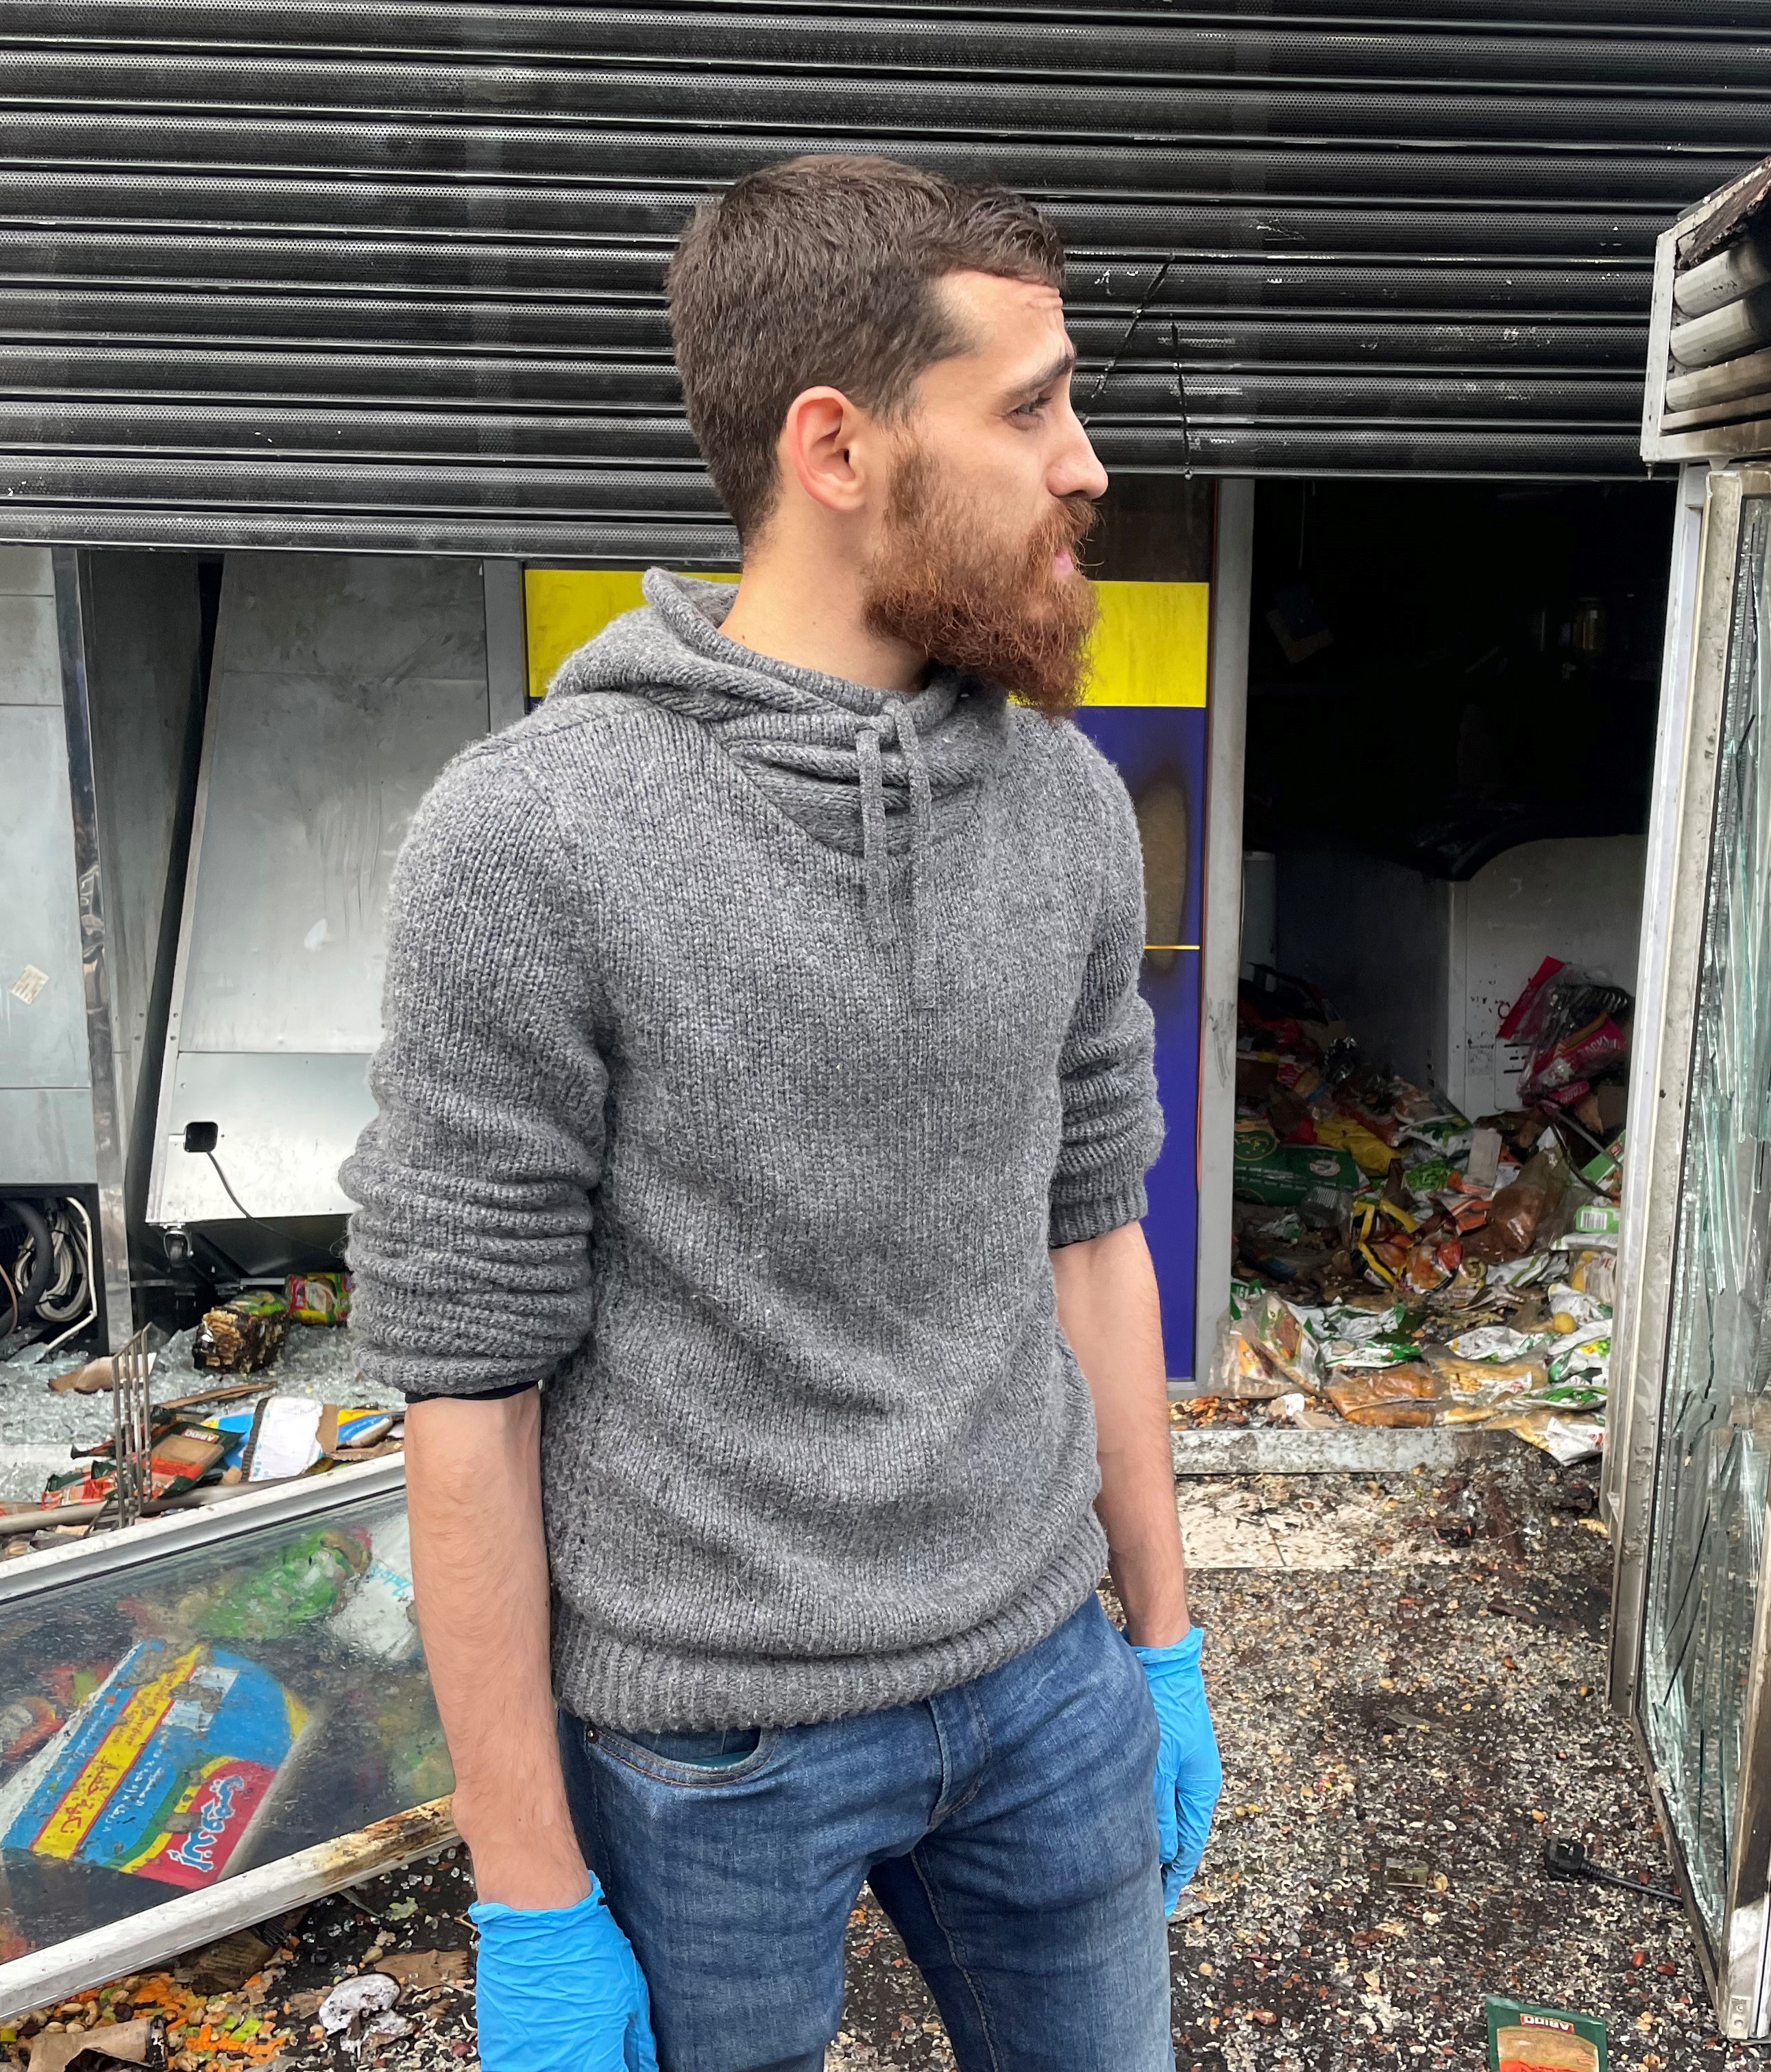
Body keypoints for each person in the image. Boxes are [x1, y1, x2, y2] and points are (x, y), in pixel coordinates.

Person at [339, 154, 1222, 2072]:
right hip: (705, 1745)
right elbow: (466, 1397)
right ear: (838, 447)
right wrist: (529, 1896)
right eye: (1031, 403)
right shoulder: (533, 838)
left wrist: (1160, 1641)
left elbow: (1096, 1235)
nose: (1084, 463)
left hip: (1043, 1669)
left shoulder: (1069, 804)